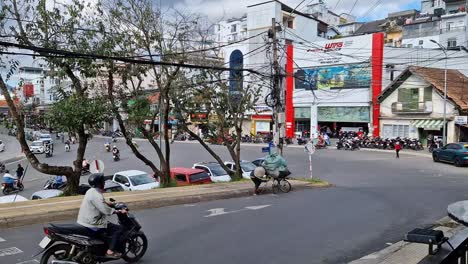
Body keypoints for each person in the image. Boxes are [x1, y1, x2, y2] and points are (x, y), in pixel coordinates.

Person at [77, 173, 125, 259]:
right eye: (103, 181)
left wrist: (108, 203)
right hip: (93, 222)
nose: (104, 183)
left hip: (83, 220)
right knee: (118, 229)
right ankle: (110, 251)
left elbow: (98, 203)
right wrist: (118, 211)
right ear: (99, 183)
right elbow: (106, 210)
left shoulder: (90, 191)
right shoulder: (97, 195)